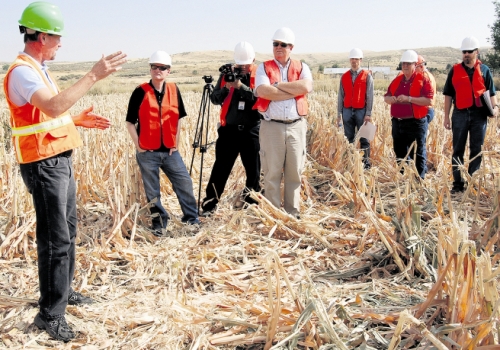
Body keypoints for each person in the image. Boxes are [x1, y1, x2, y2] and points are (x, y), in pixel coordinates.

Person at [3, 1, 126, 342]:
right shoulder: (23, 71)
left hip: (58, 160)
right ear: (41, 36)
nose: (60, 44)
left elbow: (46, 116)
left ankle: (63, 291)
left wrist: (74, 120)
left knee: (67, 234)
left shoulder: (38, 69)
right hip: (44, 165)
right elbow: (53, 105)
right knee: (55, 240)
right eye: (57, 38)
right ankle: (50, 315)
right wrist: (94, 75)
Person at [126, 51, 200, 235]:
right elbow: (129, 122)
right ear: (150, 69)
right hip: (147, 153)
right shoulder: (140, 91)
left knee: (184, 182)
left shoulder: (174, 90)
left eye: (162, 67)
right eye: (154, 67)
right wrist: (138, 145)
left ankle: (192, 218)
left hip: (170, 151)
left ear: (169, 71)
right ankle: (159, 224)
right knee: (153, 192)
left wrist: (177, 143)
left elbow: (179, 119)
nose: (158, 70)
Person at [254, 27, 313, 218]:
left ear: (291, 47)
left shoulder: (302, 67)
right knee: (271, 172)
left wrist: (278, 86)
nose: (278, 47)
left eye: (283, 44)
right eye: (275, 44)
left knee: (294, 171)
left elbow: (306, 86)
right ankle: (273, 214)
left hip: (296, 125)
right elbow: (263, 91)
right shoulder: (263, 67)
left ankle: (292, 212)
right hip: (272, 126)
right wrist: (293, 90)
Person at [200, 42, 261, 215]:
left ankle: (252, 205)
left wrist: (240, 87)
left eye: (245, 65)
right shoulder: (227, 74)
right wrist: (227, 87)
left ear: (253, 60)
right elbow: (215, 99)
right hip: (229, 131)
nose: (242, 68)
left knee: (254, 170)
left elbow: (259, 100)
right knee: (220, 169)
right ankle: (210, 204)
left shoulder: (259, 74)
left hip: (252, 130)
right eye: (239, 65)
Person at [443, 36, 498, 193]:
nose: (466, 54)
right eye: (464, 52)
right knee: (458, 149)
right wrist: (446, 116)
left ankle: (472, 183)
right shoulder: (454, 70)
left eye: (469, 51)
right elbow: (447, 95)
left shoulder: (485, 70)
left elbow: (491, 93)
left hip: (479, 115)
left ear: (477, 52)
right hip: (459, 113)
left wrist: (495, 107)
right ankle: (458, 184)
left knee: (476, 149)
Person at [384, 50, 433, 179]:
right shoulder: (397, 80)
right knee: (399, 151)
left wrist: (409, 99)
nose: (405, 66)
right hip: (398, 122)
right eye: (403, 63)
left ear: (415, 65)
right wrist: (391, 99)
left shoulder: (423, 79)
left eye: (408, 64)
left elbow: (429, 100)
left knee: (417, 153)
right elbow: (386, 97)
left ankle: (419, 180)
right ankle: (402, 178)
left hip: (416, 122)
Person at [337, 48, 374, 169]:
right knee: (349, 139)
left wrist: (368, 113)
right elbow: (340, 96)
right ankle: (351, 163)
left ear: (360, 60)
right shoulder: (344, 76)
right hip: (347, 111)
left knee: (364, 138)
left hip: (361, 111)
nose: (354, 61)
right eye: (352, 59)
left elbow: (370, 96)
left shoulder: (367, 76)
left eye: (356, 59)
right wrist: (339, 113)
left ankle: (366, 164)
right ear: (350, 60)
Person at [415, 55, 436, 172]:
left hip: (426, 110)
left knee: (420, 141)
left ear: (420, 66)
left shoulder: (425, 78)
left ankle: (422, 170)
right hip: (425, 110)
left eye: (414, 66)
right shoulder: (424, 76)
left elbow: (426, 99)